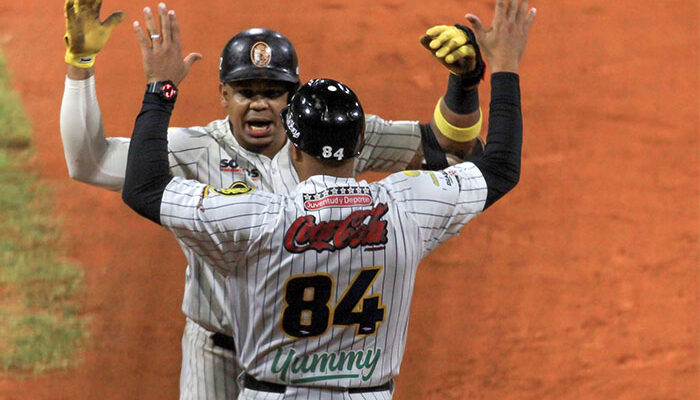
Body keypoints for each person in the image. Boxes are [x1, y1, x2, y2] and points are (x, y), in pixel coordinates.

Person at [61, 1, 489, 398]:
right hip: (216, 350)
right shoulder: (195, 148)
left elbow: (452, 146)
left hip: (299, 360)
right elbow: (89, 163)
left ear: (294, 96)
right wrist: (80, 65)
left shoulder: (332, 134)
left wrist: (463, 84)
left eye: (273, 91)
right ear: (223, 94)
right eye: (246, 91)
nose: (259, 104)